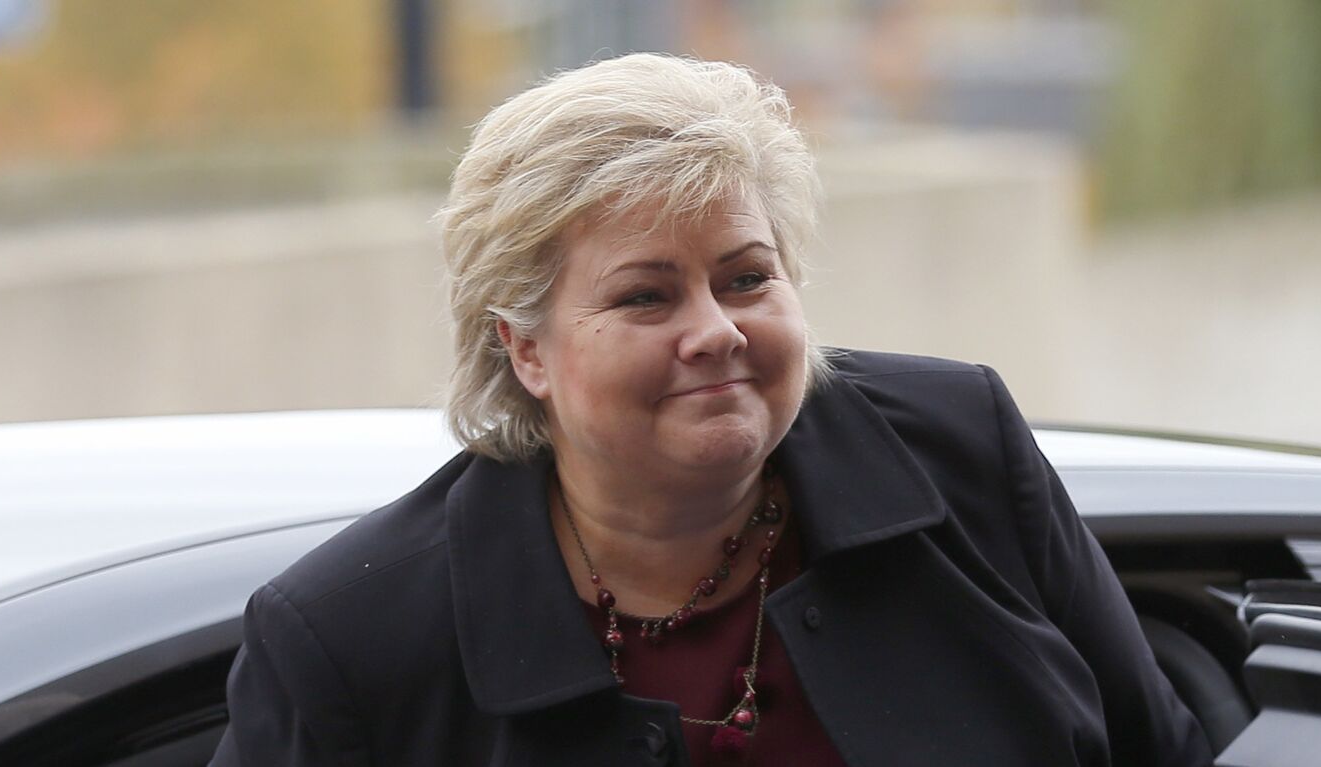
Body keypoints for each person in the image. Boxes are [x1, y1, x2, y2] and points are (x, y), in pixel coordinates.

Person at [210, 53, 1211, 766]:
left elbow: (1163, 747)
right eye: (647, 295)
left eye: (745, 277)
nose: (716, 330)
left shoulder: (959, 450)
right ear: (524, 350)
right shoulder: (350, 640)